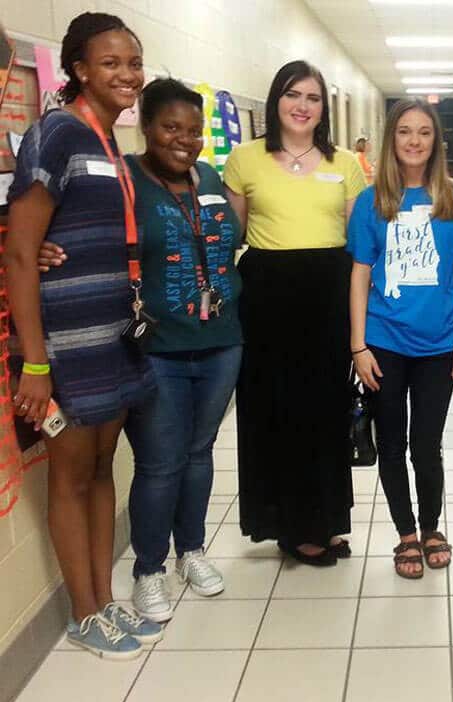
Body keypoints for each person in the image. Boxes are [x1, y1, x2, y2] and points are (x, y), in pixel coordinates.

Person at [38, 79, 244, 622]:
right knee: (159, 463)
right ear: (146, 128)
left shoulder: (212, 177)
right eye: (171, 128)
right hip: (155, 347)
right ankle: (148, 568)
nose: (184, 140)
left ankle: (191, 552)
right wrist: (41, 246)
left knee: (200, 454)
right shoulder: (126, 178)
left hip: (220, 340)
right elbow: (73, 223)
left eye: (194, 131)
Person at [4, 12, 161, 658]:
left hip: (114, 337)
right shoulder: (57, 134)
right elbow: (20, 252)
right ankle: (82, 610)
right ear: (78, 69)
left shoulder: (107, 143)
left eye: (134, 62)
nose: (128, 75)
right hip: (64, 345)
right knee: (69, 475)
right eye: (111, 63)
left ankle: (105, 599)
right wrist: (34, 364)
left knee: (101, 468)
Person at [224, 61, 366, 566]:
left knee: (326, 411)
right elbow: (231, 236)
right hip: (268, 300)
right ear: (275, 101)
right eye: (292, 95)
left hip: (328, 295)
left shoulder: (346, 164)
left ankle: (324, 520)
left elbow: (359, 240)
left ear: (324, 107)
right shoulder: (245, 159)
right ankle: (289, 525)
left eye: (312, 97)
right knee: (277, 411)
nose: (302, 106)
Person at [348, 98, 453, 579]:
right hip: (382, 342)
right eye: (405, 131)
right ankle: (404, 533)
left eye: (424, 132)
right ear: (391, 139)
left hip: (439, 344)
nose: (415, 141)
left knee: (427, 442)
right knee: (392, 440)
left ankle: (431, 527)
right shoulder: (371, 201)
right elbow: (360, 274)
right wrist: (358, 345)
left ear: (435, 141)